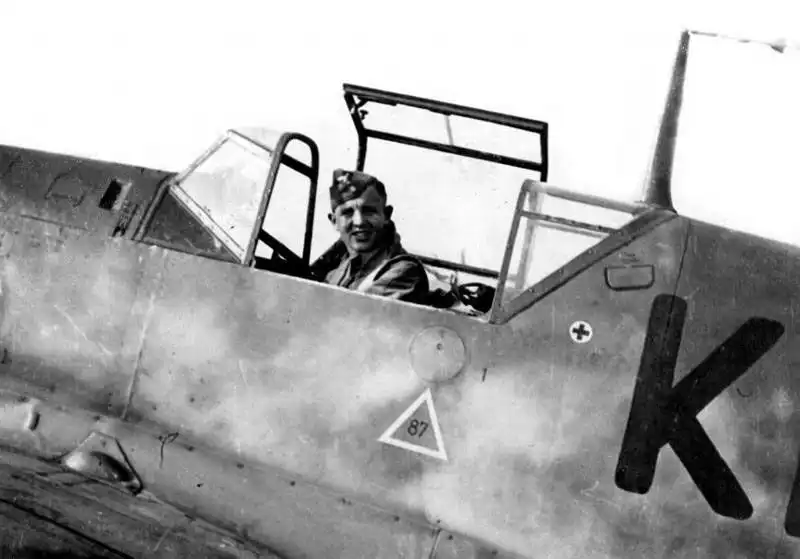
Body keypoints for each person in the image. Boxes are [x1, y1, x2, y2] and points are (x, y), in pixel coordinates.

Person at [309, 169, 429, 304]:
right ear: (334, 222)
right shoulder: (336, 272)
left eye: (369, 211)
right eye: (348, 213)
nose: (359, 222)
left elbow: (356, 313)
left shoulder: (403, 272)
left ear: (386, 215)